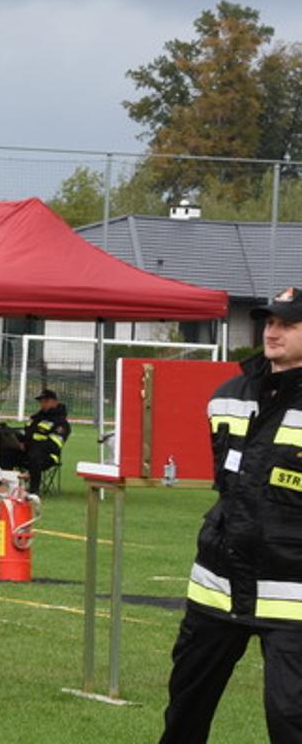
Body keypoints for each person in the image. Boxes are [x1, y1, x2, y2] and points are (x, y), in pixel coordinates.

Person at [161, 285, 302, 743]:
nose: (272, 333)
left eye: (288, 324)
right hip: (217, 587)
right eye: (270, 322)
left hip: (291, 593)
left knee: (290, 716)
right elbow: (228, 484)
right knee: (185, 708)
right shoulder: (227, 396)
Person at [21, 388, 71, 494]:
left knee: (35, 455)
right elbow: (26, 433)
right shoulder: (36, 418)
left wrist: (31, 445)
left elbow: (54, 444)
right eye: (41, 401)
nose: (42, 404)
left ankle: (34, 492)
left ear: (54, 402)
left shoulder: (61, 423)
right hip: (26, 451)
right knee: (2, 446)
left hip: (48, 456)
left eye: (45, 401)